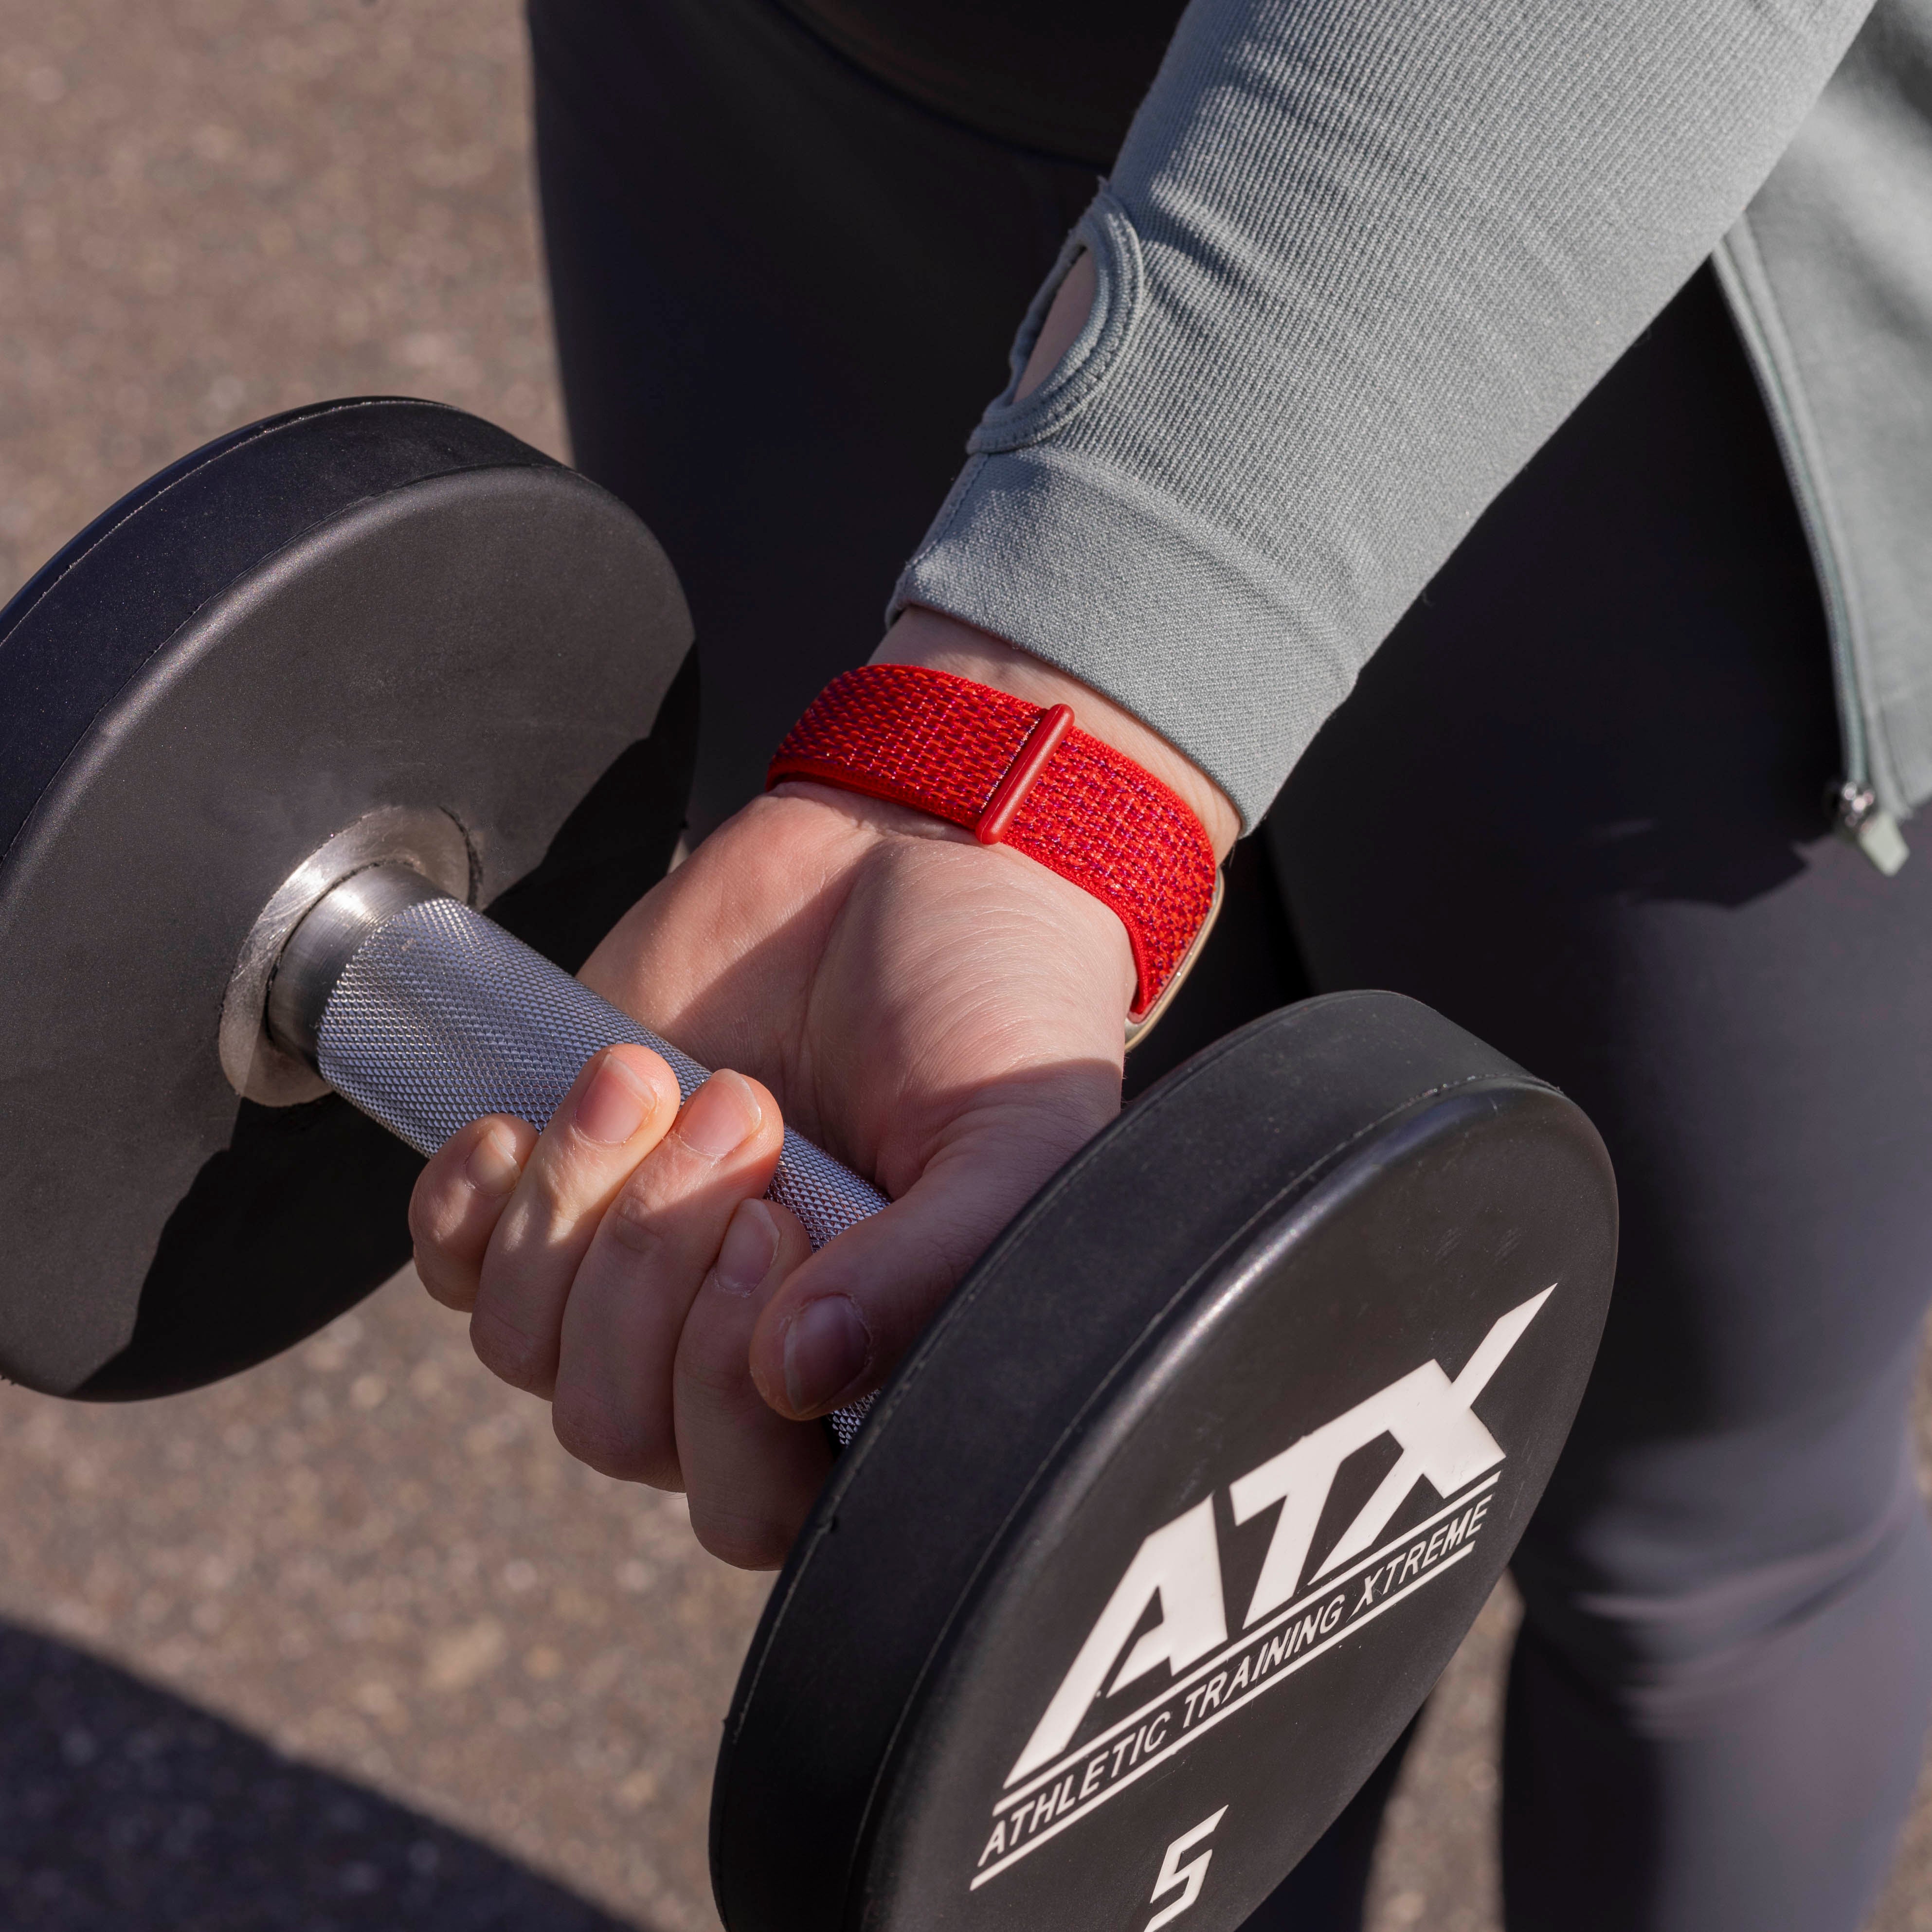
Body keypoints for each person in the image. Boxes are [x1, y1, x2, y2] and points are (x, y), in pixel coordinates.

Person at [406, 0, 1932, 1924]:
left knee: (1702, 1559)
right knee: (1084, 1507)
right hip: (776, 140)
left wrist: (1021, 755)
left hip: (1613, 205)